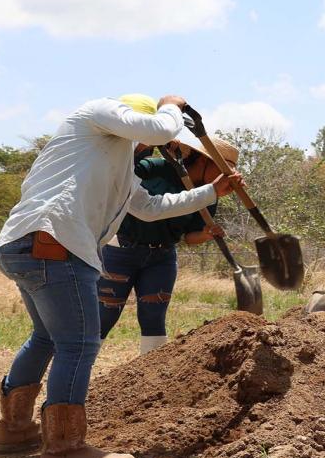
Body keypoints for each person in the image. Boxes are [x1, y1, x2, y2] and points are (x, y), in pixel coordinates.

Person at [0, 94, 244, 458]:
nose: (145, 146)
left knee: (46, 338)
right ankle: (63, 447)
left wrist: (211, 192)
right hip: (53, 242)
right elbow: (161, 127)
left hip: (31, 243)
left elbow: (149, 208)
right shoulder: (97, 114)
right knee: (79, 344)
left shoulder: (119, 165)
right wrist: (170, 105)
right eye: (142, 137)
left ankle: (14, 430)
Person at [97, 137, 239, 355]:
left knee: (153, 317)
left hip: (162, 258)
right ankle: (79, 375)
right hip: (120, 251)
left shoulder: (209, 195)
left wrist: (205, 234)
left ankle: (151, 379)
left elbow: (188, 237)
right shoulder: (154, 168)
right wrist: (146, 145)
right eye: (222, 171)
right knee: (103, 315)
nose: (224, 179)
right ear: (203, 161)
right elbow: (122, 175)